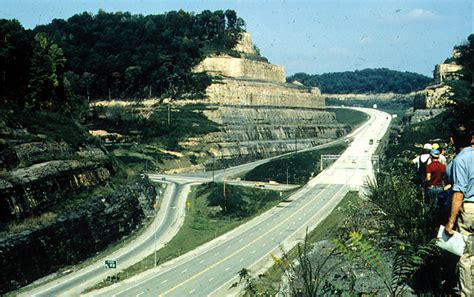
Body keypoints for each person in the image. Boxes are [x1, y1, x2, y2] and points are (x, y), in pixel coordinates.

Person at [445, 127, 474, 297]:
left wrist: (450, 221)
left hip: (469, 208)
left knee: (467, 257)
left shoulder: (459, 160)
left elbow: (458, 193)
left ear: (452, 140)